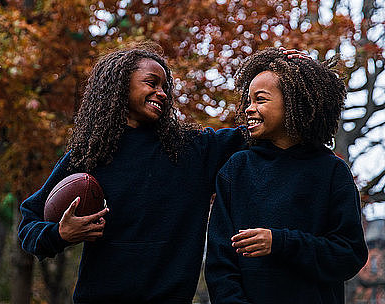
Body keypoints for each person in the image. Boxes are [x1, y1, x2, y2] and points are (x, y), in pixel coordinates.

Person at [18, 43, 248, 303]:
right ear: (120, 86)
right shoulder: (90, 155)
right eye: (151, 83)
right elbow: (29, 223)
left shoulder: (194, 150)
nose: (161, 93)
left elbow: (257, 130)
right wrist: (60, 234)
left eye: (164, 87)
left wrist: (289, 73)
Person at [205, 48, 368, 304]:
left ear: (293, 102)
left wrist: (281, 243)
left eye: (260, 99)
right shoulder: (236, 169)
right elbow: (220, 263)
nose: (249, 109)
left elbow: (348, 255)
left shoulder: (332, 172)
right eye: (248, 101)